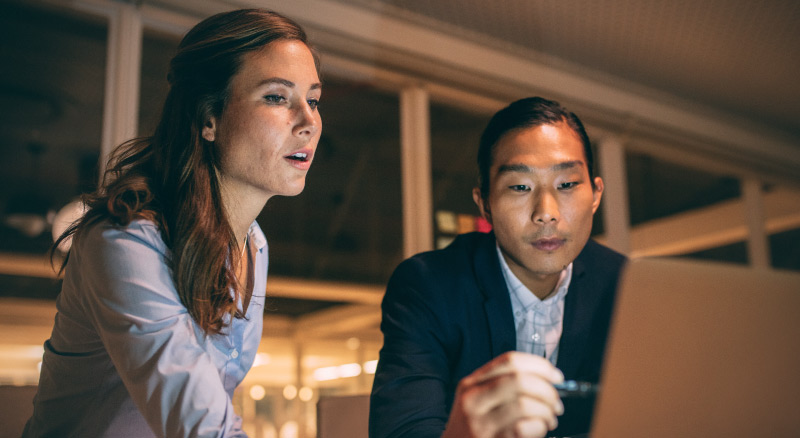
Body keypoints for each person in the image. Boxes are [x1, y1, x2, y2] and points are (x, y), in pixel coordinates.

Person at [23, 9, 322, 437]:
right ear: (208, 119)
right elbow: (202, 426)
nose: (309, 121)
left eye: (313, 100)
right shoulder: (126, 240)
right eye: (277, 97)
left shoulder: (253, 244)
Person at [369, 97, 626, 438]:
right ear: (485, 205)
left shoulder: (624, 286)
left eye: (566, 184)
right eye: (520, 186)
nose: (546, 212)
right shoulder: (428, 286)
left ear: (595, 195)